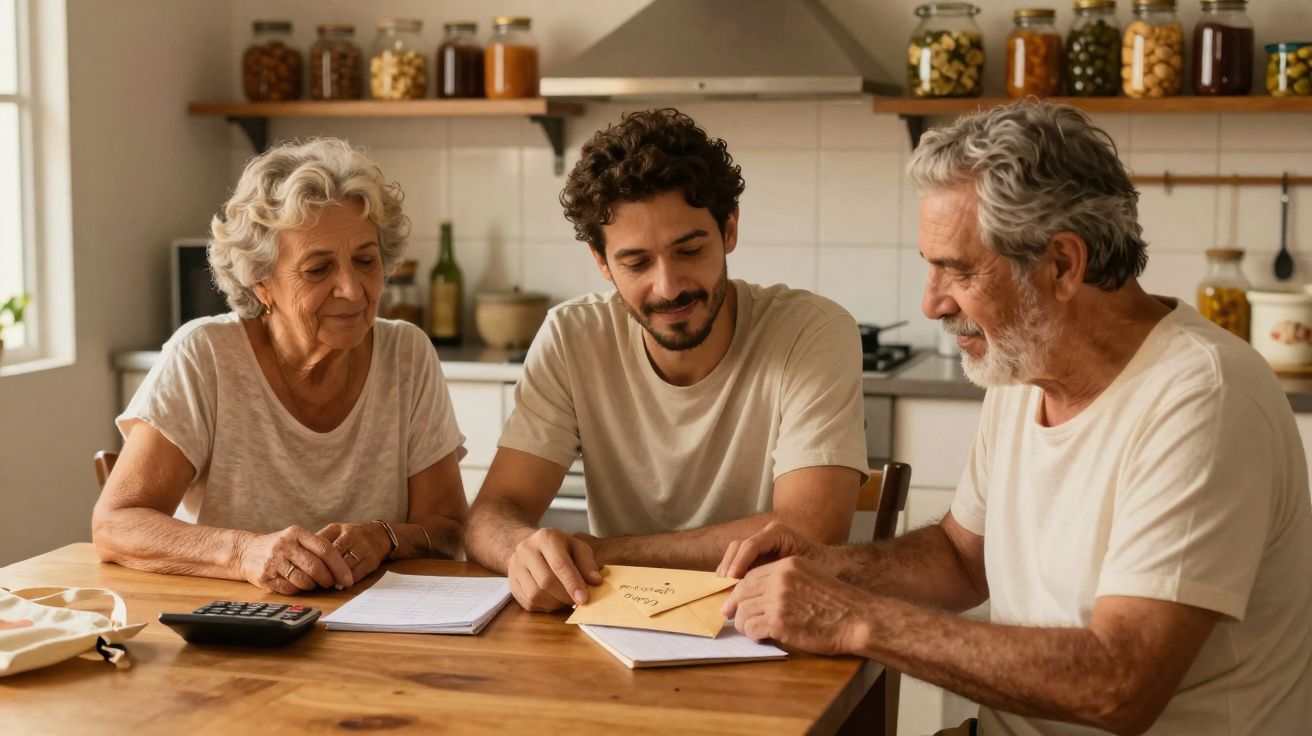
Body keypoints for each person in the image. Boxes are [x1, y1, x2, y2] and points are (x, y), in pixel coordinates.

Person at [720, 102, 1312, 735]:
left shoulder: (1203, 398)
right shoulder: (1023, 365)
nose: (931, 303)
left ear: (1062, 265)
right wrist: (825, 568)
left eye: (957, 270)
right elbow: (960, 558)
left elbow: (1119, 684)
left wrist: (852, 617)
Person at [465, 109, 869, 612]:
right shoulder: (572, 336)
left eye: (689, 251)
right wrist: (525, 552)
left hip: (767, 624)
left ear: (729, 229)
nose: (669, 287)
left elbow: (811, 531)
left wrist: (597, 553)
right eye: (636, 262)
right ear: (601, 262)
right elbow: (490, 516)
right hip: (616, 625)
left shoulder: (812, 331)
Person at [92, 138, 468, 595]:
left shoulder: (407, 353)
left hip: (377, 623)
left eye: (365, 261)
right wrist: (243, 552)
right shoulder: (204, 356)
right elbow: (115, 524)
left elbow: (448, 531)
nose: (352, 289)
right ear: (261, 283)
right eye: (318, 269)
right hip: (234, 622)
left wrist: (385, 537)